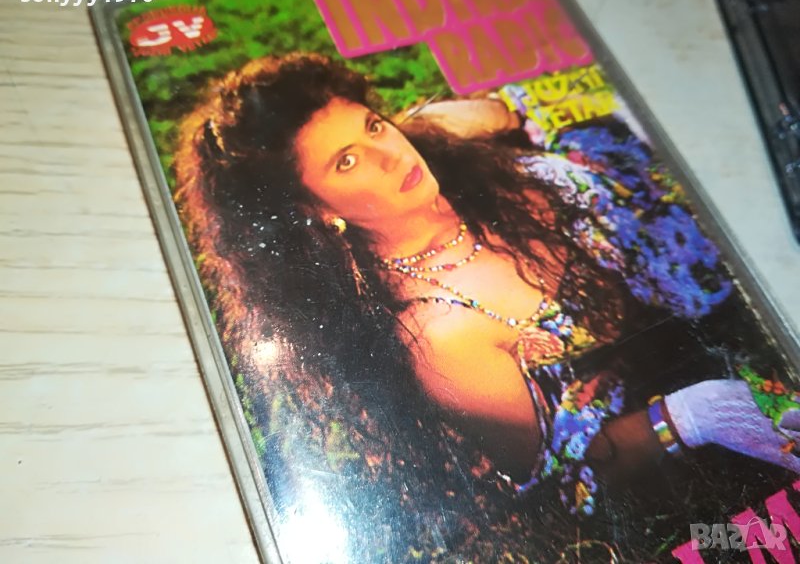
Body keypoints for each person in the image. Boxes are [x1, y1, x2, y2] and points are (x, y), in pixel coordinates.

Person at [174, 53, 800, 557]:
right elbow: (574, 477)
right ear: (315, 209)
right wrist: (697, 415)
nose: (392, 153)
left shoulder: (445, 143)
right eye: (347, 161)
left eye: (372, 125)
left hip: (690, 190)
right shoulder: (442, 337)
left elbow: (513, 105)